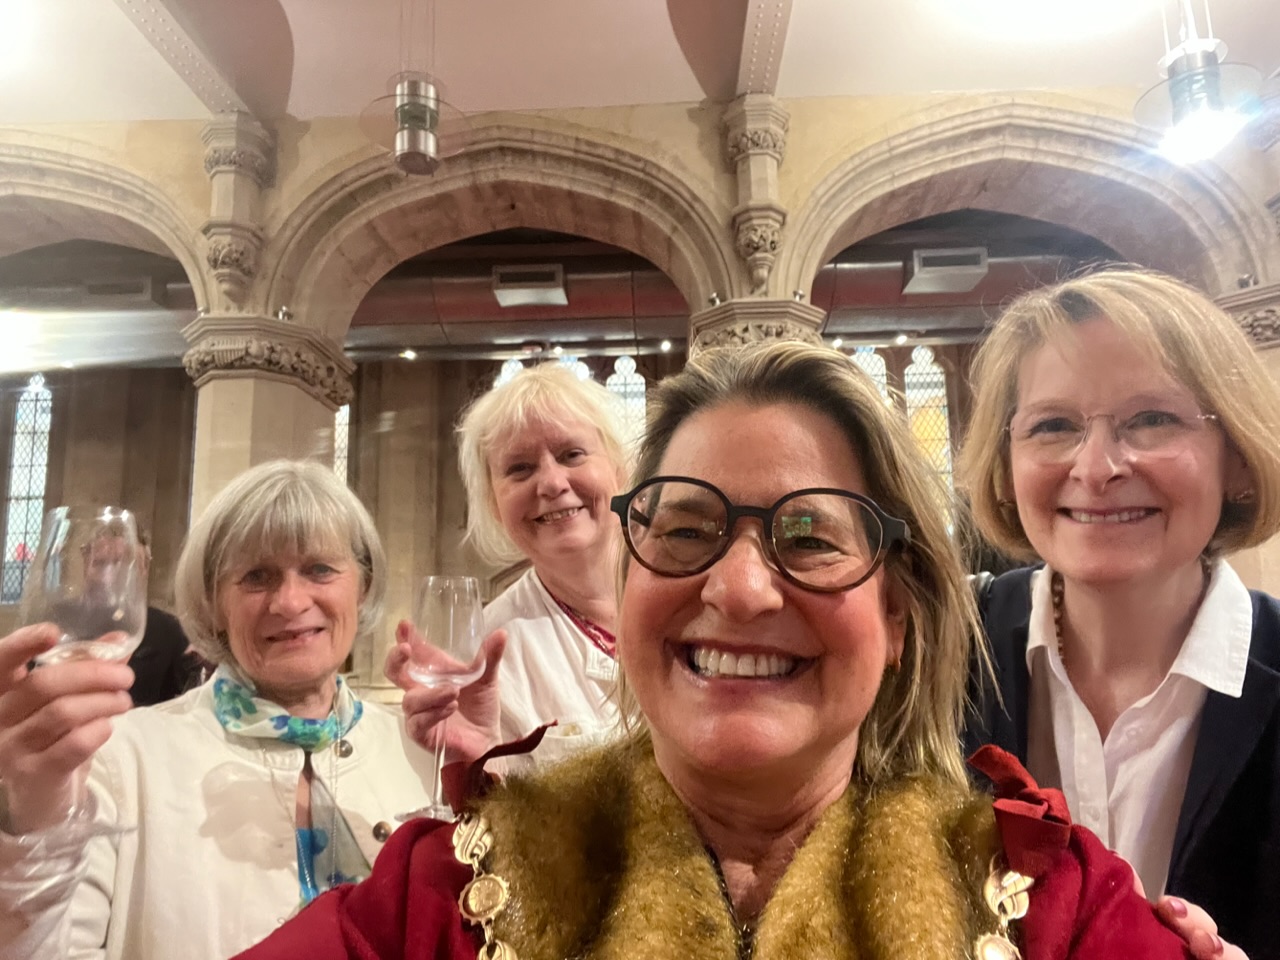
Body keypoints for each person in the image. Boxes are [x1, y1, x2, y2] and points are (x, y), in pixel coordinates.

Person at [237, 341, 1215, 960]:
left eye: (810, 539)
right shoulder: (441, 894)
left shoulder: (1049, 904)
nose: (739, 589)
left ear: (899, 616)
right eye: (685, 529)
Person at [958, 267, 1280, 959]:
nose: (1097, 466)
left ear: (1239, 462)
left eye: (1152, 419)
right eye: (1053, 425)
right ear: (1004, 469)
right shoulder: (941, 656)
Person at [0, 459, 438, 960]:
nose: (291, 601)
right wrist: (31, 823)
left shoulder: (419, 753)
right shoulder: (121, 758)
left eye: (319, 569)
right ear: (213, 603)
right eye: (257, 576)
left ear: (362, 586)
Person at [387, 361, 630, 766]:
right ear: (493, 505)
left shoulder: (686, 591)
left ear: (619, 471)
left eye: (572, 454)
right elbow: (495, 822)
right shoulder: (486, 658)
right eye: (520, 469)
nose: (552, 484)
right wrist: (478, 763)